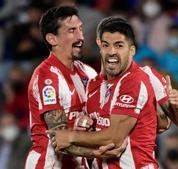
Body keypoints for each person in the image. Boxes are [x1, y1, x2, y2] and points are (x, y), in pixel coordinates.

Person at [49, 16, 178, 169]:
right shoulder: (93, 85)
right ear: (99, 46)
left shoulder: (137, 80)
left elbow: (114, 138)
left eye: (119, 46)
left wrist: (70, 136)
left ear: (132, 50)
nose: (111, 52)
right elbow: (101, 141)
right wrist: (83, 138)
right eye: (106, 45)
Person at [25, 6, 124, 169]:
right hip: (50, 164)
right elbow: (60, 139)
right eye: (72, 30)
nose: (81, 36)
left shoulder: (88, 73)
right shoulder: (46, 77)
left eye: (80, 29)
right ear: (52, 39)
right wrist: (99, 152)